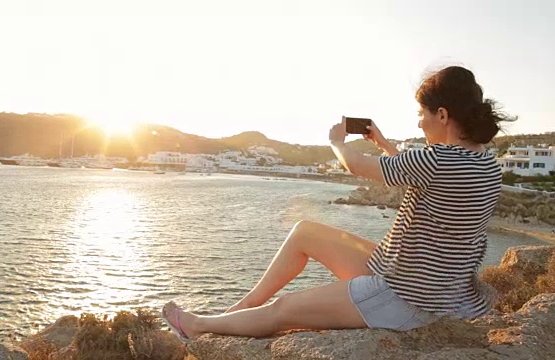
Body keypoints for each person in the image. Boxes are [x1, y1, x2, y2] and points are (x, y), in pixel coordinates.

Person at [161, 66, 515, 340]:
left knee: (284, 310)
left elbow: (355, 165)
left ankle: (199, 325)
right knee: (305, 232)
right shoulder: (484, 161)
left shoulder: (439, 158)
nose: (420, 123)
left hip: (407, 298)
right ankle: (240, 309)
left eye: (421, 115)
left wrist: (337, 141)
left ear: (442, 114)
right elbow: (424, 175)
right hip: (435, 286)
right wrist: (385, 145)